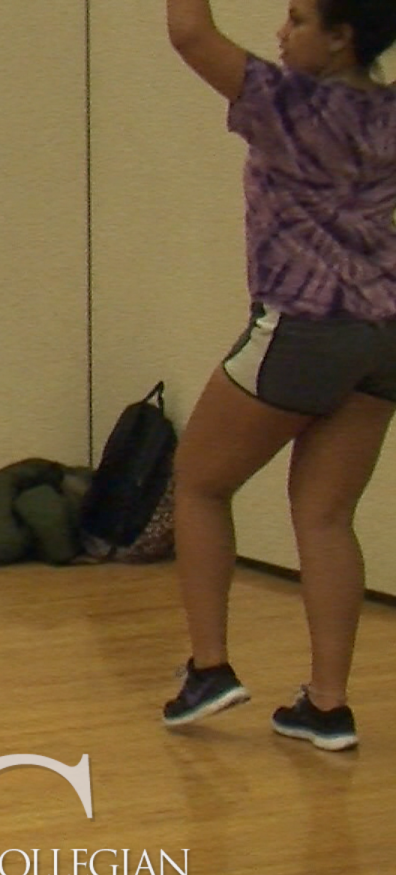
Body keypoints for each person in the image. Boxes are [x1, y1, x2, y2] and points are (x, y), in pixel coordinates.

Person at [160, 0, 396, 754]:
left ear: (341, 39)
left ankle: (209, 668)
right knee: (326, 516)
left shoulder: (287, 100)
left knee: (197, 481)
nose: (281, 32)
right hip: (385, 334)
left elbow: (191, 32)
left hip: (304, 323)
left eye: (297, 19)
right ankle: (327, 706)